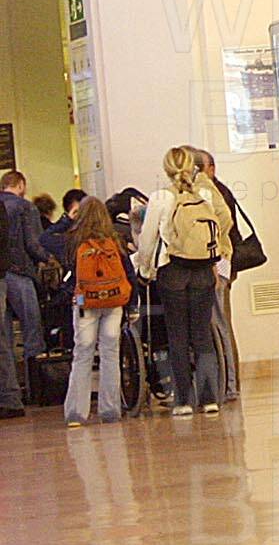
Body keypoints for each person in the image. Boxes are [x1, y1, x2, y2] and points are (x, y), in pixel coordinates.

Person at [133, 147, 233, 416]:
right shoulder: (204, 195)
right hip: (203, 271)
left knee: (177, 336)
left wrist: (144, 269)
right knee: (202, 336)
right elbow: (224, 220)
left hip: (173, 271)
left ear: (167, 170)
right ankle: (210, 399)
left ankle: (184, 401)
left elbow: (147, 240)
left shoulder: (160, 198)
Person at [62, 196, 129, 428]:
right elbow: (127, 273)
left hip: (84, 300)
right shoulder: (115, 240)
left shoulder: (74, 240)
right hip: (113, 300)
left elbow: (68, 271)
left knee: (83, 352)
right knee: (110, 352)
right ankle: (110, 410)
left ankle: (76, 414)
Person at [0, 169, 54, 421]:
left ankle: (11, 395)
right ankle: (36, 391)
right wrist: (49, 258)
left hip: (2, 276)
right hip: (21, 274)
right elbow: (33, 243)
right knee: (33, 333)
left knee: (5, 340)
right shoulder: (25, 207)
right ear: (20, 184)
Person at [194, 150, 245, 400]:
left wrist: (213, 248)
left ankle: (229, 383)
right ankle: (228, 382)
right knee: (222, 323)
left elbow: (224, 221)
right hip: (222, 261)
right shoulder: (217, 189)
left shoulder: (208, 189)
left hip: (217, 263)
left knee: (220, 323)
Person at [41, 189, 86, 261]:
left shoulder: (95, 228)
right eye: (76, 211)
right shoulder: (66, 232)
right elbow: (44, 240)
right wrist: (66, 220)